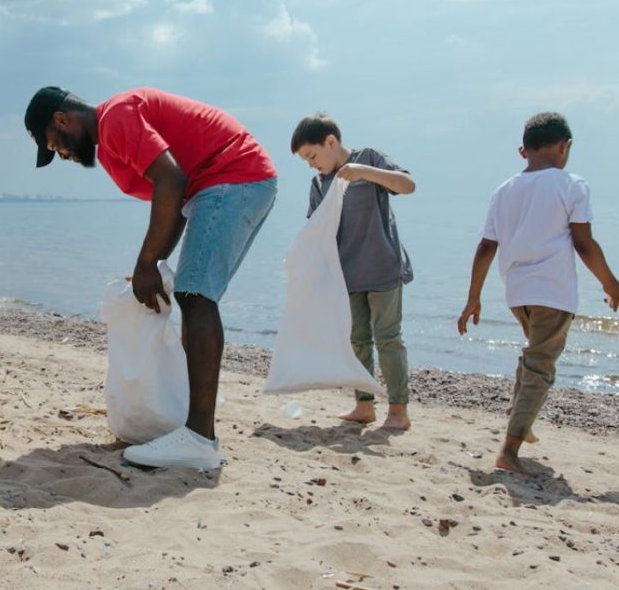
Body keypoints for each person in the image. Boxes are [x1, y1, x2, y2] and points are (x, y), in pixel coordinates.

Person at [25, 86, 277, 469]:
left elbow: (171, 181)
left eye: (54, 146)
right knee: (194, 297)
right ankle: (197, 434)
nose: (61, 154)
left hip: (231, 176)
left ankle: (199, 439)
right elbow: (174, 197)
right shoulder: (110, 137)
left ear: (62, 120)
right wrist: (151, 263)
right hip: (227, 181)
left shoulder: (114, 119)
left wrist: (148, 262)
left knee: (196, 298)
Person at [457, 112, 619, 474]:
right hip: (553, 291)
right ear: (564, 146)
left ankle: (519, 422)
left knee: (533, 358)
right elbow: (584, 244)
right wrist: (611, 284)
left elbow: (485, 247)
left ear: (522, 151)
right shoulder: (572, 184)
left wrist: (473, 297)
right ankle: (509, 450)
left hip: (517, 294)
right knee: (541, 367)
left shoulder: (504, 190)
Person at [291, 113, 416, 431]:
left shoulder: (369, 159)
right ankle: (364, 405)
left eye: (312, 156)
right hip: (346, 276)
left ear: (330, 141)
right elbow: (317, 232)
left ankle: (398, 411)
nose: (312, 164)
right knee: (358, 341)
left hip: (384, 268)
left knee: (388, 339)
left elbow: (407, 184)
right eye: (306, 161)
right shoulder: (319, 184)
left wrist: (364, 172)